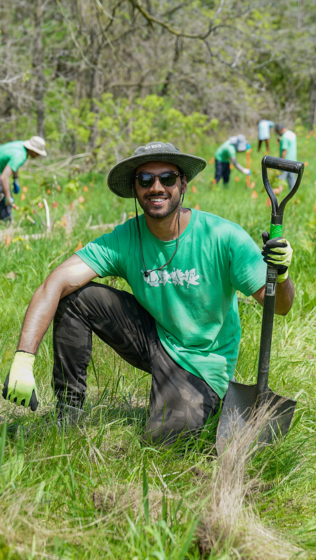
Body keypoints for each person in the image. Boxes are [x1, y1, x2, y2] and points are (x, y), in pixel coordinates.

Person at [2, 141, 295, 446]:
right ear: (135, 188)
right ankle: (68, 413)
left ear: (183, 184)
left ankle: (205, 401)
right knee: (75, 297)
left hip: (201, 361)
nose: (157, 187)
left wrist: (282, 274)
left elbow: (281, 307)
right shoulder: (126, 237)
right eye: (145, 180)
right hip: (153, 336)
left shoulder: (223, 237)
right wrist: (24, 358)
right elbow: (54, 282)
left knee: (166, 444)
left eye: (167, 178)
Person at [0, 136, 47, 222]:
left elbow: (12, 164)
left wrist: (15, 179)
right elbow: (3, 177)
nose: (38, 155)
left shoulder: (19, 145)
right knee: (4, 207)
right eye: (38, 153)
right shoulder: (20, 156)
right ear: (33, 150)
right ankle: (7, 227)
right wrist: (7, 197)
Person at [275, 124, 297, 191]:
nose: (278, 133)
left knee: (280, 178)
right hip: (293, 160)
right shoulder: (292, 134)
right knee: (292, 179)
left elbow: (284, 150)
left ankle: (277, 192)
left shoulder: (284, 137)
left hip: (286, 161)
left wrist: (281, 162)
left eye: (277, 132)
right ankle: (293, 193)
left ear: (281, 129)